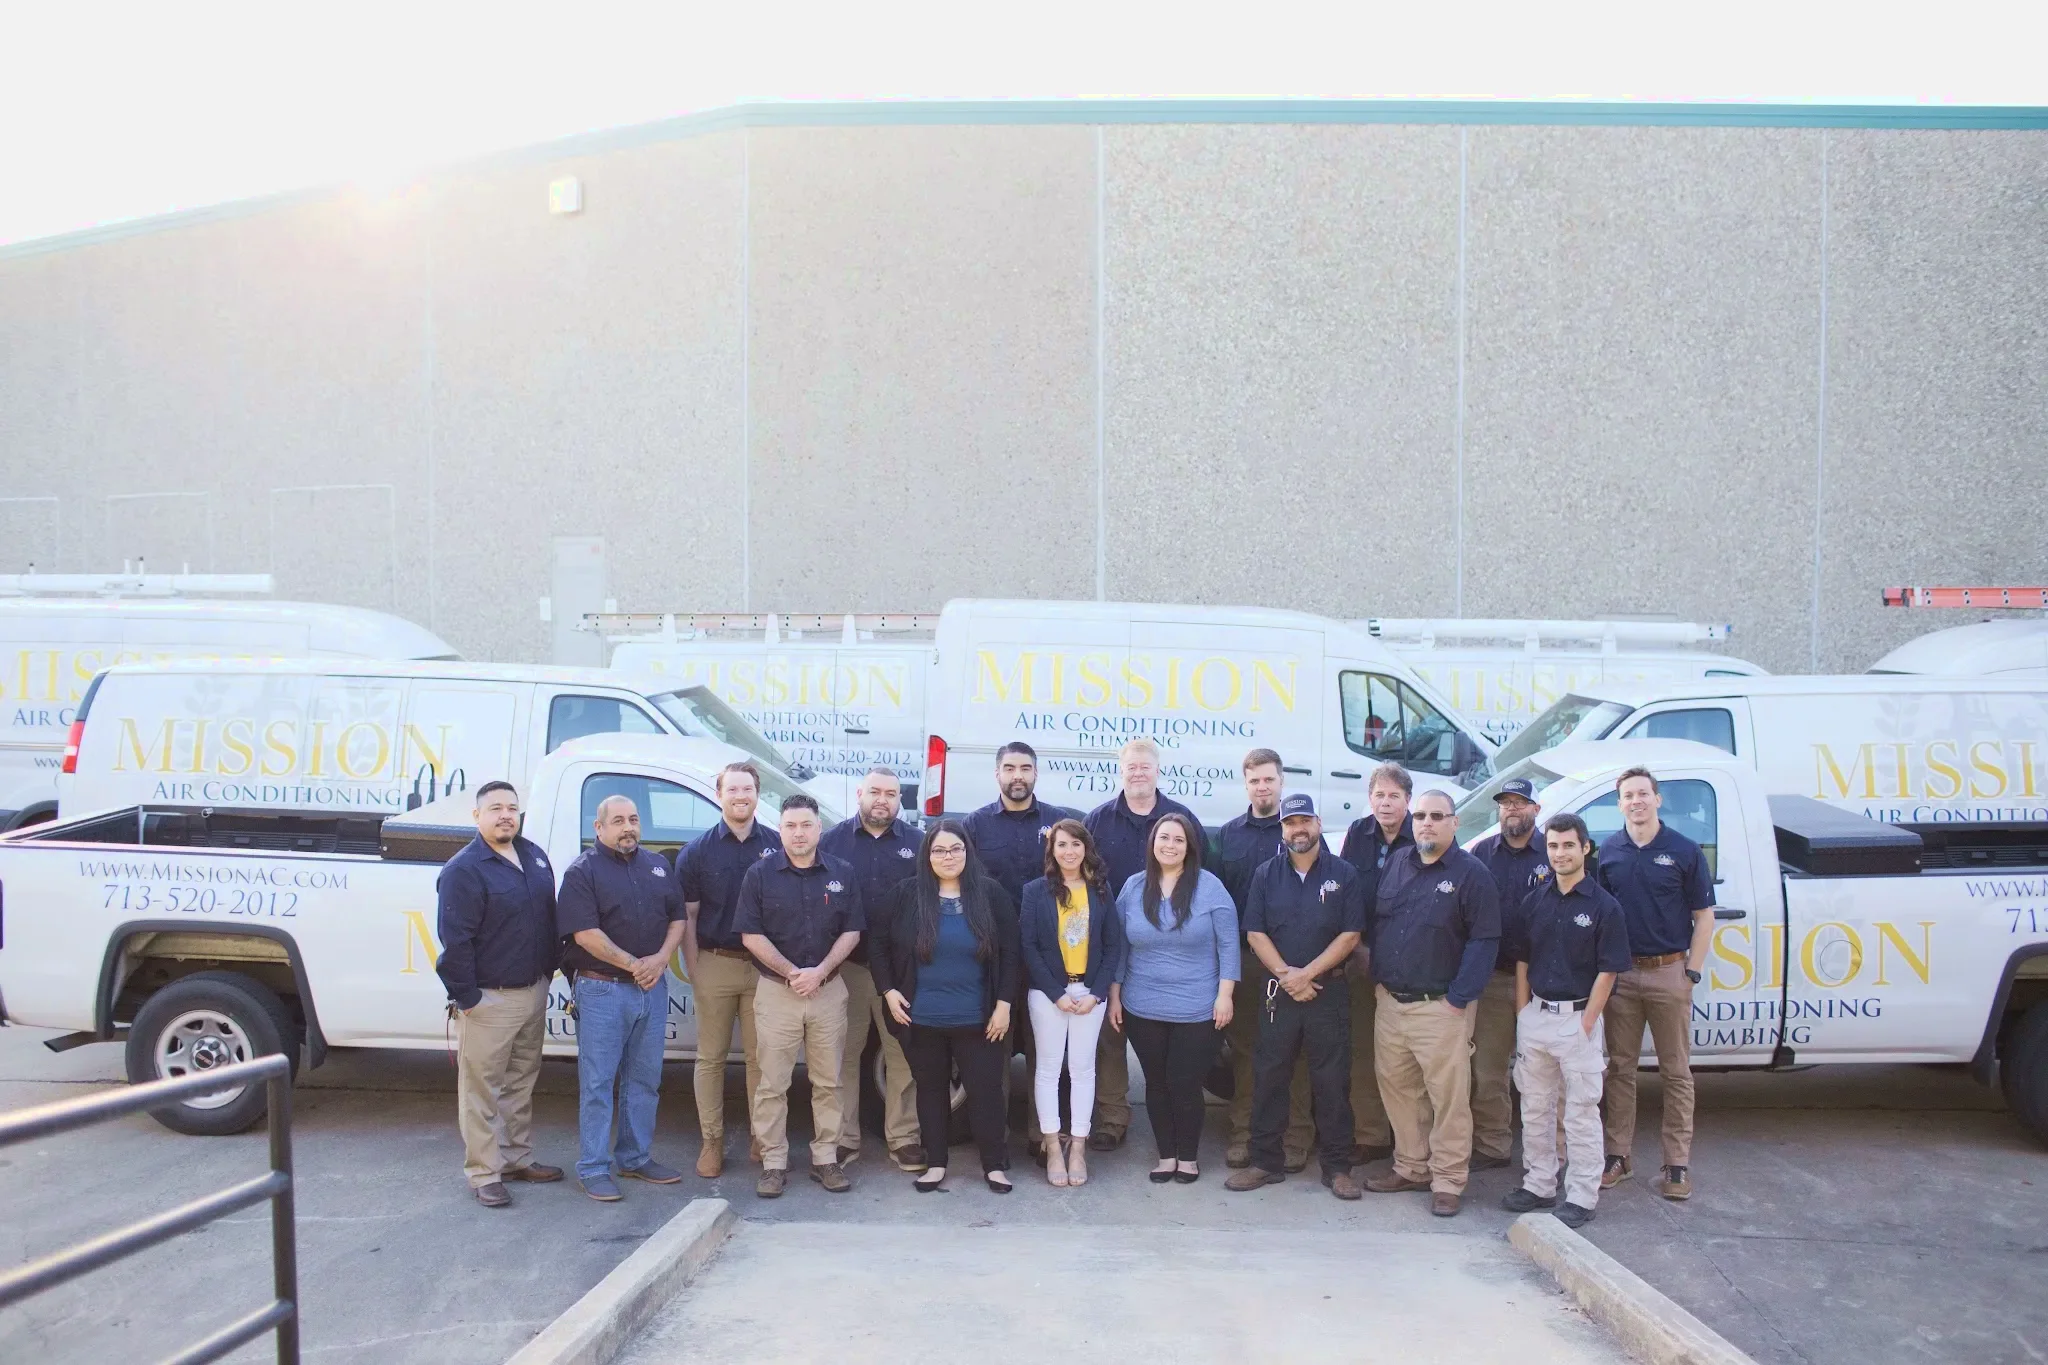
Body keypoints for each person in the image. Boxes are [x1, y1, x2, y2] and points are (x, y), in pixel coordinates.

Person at [1361, 788, 1500, 1217]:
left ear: (1454, 823)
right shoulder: (1398, 863)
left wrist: (1458, 999)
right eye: (1420, 816)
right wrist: (1378, 981)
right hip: (1391, 1003)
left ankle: (1448, 1180)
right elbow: (1381, 926)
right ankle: (1411, 1167)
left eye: (1437, 816)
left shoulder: (1471, 874)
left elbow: (1484, 940)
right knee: (1400, 1091)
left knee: (1448, 1099)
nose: (1426, 823)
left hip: (1441, 1006)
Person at [1225, 794, 1366, 1200]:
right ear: (1282, 829)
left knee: (1332, 1081)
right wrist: (1289, 976)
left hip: (1328, 990)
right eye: (1290, 823)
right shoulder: (1266, 874)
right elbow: (1255, 933)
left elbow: (1350, 935)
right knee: (1269, 1076)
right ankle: (1264, 1162)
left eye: (1305, 821)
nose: (1298, 829)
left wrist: (1308, 974)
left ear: (1318, 824)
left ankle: (1338, 1168)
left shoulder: (1344, 873)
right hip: (1279, 991)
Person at [870, 820, 1021, 1193]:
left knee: (986, 1092)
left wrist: (1004, 1004)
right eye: (939, 850)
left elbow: (1012, 952)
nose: (948, 856)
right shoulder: (906, 895)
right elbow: (877, 944)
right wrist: (888, 991)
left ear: (968, 852)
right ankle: (935, 1163)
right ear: (927, 855)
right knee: (931, 1091)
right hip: (921, 1018)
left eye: (956, 849)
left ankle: (994, 1166)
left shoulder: (990, 894)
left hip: (980, 1019)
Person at [435, 780, 563, 1207]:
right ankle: (483, 1173)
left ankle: (515, 1158)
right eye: (495, 808)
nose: (506, 815)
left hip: (533, 992)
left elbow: (548, 919)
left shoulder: (534, 857)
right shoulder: (463, 870)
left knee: (520, 1082)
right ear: (477, 816)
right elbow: (455, 942)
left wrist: (549, 973)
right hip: (489, 999)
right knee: (481, 1092)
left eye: (512, 807)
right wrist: (469, 999)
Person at [1501, 813, 1632, 1228]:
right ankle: (1540, 1184)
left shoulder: (1604, 907)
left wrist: (1587, 1024)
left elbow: (1608, 971)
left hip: (1578, 1020)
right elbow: (1523, 960)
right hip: (1537, 1017)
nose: (1560, 853)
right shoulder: (1534, 901)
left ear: (1585, 848)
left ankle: (1581, 1195)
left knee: (1580, 1112)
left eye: (1568, 845)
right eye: (1553, 846)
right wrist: (1523, 1013)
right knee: (1535, 1108)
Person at [734, 792, 865, 1198]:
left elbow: (852, 930)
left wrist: (820, 971)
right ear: (780, 830)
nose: (799, 833)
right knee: (772, 1083)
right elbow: (750, 934)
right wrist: (792, 973)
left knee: (829, 1081)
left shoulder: (842, 872)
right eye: (790, 826)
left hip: (828, 991)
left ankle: (826, 1158)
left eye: (806, 825)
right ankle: (773, 1162)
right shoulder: (759, 875)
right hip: (777, 992)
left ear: (819, 828)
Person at [558, 794, 688, 1201]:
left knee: (645, 1079)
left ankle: (634, 1158)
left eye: (633, 819)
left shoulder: (658, 866)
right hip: (602, 990)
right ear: (598, 828)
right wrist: (636, 965)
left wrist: (661, 959)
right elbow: (585, 934)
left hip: (651, 988)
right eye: (617, 821)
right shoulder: (582, 872)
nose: (628, 827)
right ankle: (594, 1168)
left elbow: (678, 918)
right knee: (598, 1082)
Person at [1596, 766, 1716, 1202]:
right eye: (1628, 795)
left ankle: (1676, 1165)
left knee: (1676, 1073)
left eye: (1643, 794)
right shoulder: (1609, 852)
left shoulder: (1684, 850)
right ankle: (1618, 1156)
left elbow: (1704, 916)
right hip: (1623, 975)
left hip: (1670, 973)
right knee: (1620, 1070)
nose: (1637, 801)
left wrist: (1691, 972)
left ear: (1657, 799)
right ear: (1619, 804)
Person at [1084, 738, 1201, 1151]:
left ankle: (1172, 1126)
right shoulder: (1097, 821)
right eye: (1131, 766)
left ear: (1157, 771)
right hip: (1110, 943)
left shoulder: (1182, 820)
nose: (1138, 773)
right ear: (1121, 771)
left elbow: (1201, 878)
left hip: (1169, 954)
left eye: (1145, 766)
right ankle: (1113, 1118)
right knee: (1110, 1036)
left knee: (1168, 1044)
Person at [961, 742, 1079, 1151]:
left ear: (1035, 774)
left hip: (1048, 957)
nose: (1017, 776)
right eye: (1009, 768)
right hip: (992, 956)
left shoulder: (1058, 824)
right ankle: (995, 1141)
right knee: (994, 1051)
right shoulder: (974, 826)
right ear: (997, 773)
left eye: (1025, 768)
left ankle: (1043, 1137)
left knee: (1047, 1052)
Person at [1111, 812, 1239, 1184]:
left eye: (1178, 839)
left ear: (1190, 847)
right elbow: (1118, 946)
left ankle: (1188, 1157)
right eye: (1164, 838)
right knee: (1156, 1082)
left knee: (1184, 1082)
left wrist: (1225, 995)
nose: (1170, 845)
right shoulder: (1134, 887)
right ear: (1152, 843)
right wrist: (1115, 995)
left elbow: (1229, 945)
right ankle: (1166, 1155)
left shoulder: (1210, 888)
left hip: (1198, 1007)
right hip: (1142, 1005)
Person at [818, 767, 924, 1173]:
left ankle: (904, 1138)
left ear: (900, 800)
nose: (882, 800)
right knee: (842, 1056)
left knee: (902, 1055)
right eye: (875, 792)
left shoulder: (918, 844)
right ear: (860, 793)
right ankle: (843, 1139)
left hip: (899, 972)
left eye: (891, 794)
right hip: (847, 967)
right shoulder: (831, 842)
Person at [679, 762, 781, 1178]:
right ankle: (712, 1142)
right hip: (715, 962)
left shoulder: (777, 845)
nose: (741, 796)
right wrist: (694, 967)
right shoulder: (697, 852)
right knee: (711, 1058)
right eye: (733, 789)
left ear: (758, 794)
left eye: (748, 789)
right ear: (719, 794)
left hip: (764, 969)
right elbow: (688, 915)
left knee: (762, 1059)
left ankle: (762, 1136)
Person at [1212, 749, 1313, 1172]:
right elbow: (1215, 899)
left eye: (1269, 779)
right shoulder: (1228, 835)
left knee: (1296, 1051)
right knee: (1247, 1052)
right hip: (1246, 961)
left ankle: (1295, 1136)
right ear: (1246, 784)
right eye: (1254, 780)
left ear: (1281, 781)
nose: (1262, 787)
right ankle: (1245, 1134)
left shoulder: (1299, 830)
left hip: (1295, 964)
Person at [1018, 819, 1124, 1186]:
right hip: (1048, 994)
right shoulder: (1035, 891)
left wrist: (1097, 993)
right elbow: (1028, 946)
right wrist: (1056, 993)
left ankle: (1078, 1147)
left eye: (1076, 844)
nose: (1069, 851)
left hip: (1089, 994)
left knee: (1083, 1070)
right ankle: (1052, 1146)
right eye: (1061, 844)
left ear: (1086, 848)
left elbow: (1112, 946)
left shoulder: (1101, 890)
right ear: (1052, 850)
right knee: (1048, 1070)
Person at [1465, 776, 1553, 1173]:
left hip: (1546, 982)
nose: (1512, 808)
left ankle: (1548, 1153)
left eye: (1520, 802)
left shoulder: (1553, 851)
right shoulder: (1482, 853)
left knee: (1544, 1072)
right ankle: (1493, 1144)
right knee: (1488, 1069)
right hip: (1495, 978)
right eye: (1505, 803)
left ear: (1536, 809)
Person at [1334, 762, 1412, 1166]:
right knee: (1364, 1052)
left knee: (1404, 1058)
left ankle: (1411, 1140)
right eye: (1379, 795)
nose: (1385, 803)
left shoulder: (1422, 834)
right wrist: (1357, 947)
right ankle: (1371, 1135)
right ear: (1370, 798)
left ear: (1407, 801)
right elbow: (1347, 893)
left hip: (1409, 965)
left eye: (1394, 796)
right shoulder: (1357, 833)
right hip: (1362, 961)